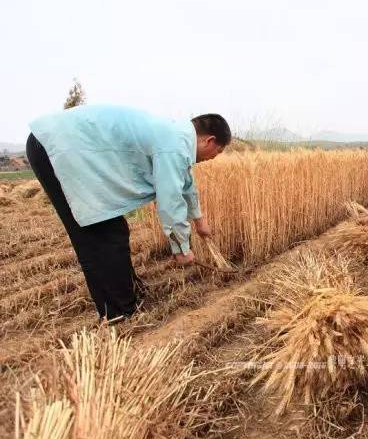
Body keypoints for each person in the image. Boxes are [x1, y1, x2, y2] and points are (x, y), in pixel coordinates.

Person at [25, 105, 231, 321]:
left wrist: (200, 221)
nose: (212, 158)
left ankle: (128, 296)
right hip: (55, 148)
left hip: (70, 148)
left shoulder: (177, 137)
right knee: (98, 235)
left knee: (114, 231)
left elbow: (185, 184)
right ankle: (118, 313)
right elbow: (170, 200)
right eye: (217, 152)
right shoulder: (174, 145)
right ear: (209, 140)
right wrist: (182, 248)